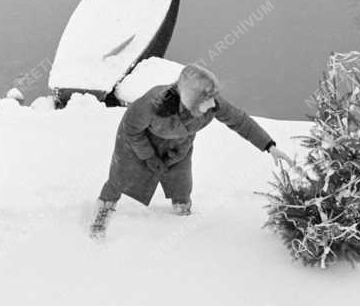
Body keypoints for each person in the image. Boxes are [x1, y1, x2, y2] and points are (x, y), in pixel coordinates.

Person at [90, 63, 290, 238]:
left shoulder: (212, 103)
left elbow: (239, 120)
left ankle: (182, 211)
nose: (213, 104)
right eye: (207, 100)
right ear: (191, 100)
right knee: (122, 176)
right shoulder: (152, 104)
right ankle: (106, 206)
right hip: (138, 142)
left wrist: (268, 145)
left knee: (181, 181)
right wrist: (148, 156)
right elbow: (132, 131)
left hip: (178, 146)